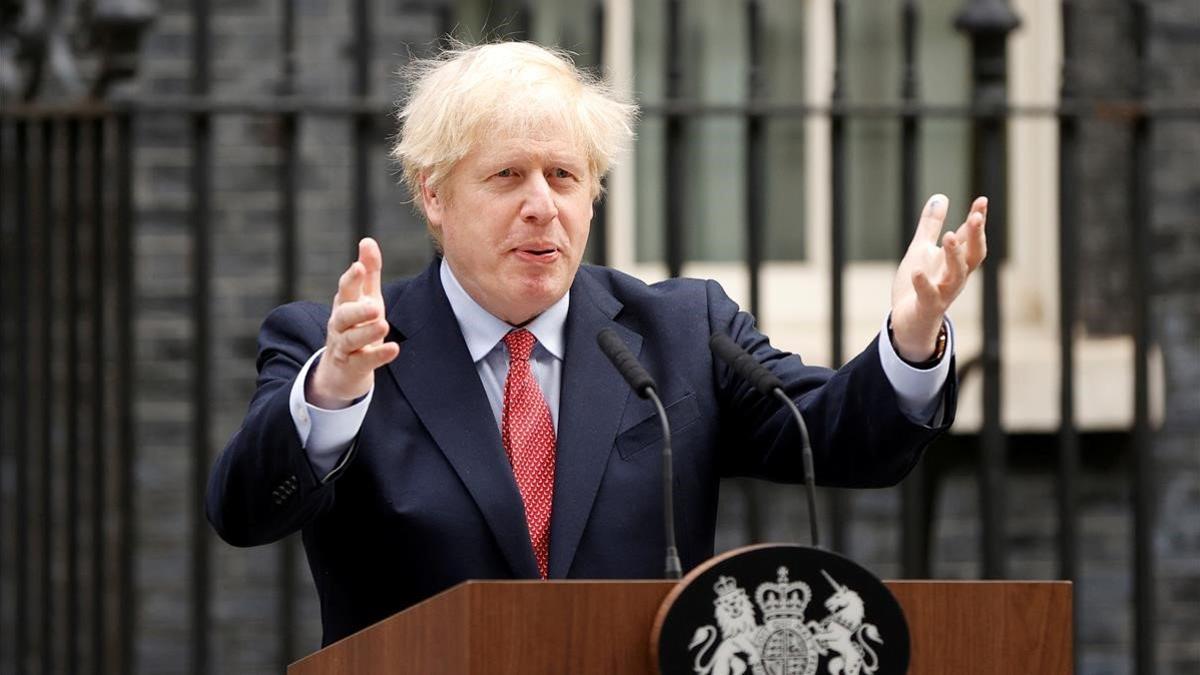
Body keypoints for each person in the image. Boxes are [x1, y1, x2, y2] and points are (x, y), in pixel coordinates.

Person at [206, 41, 987, 646]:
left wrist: (913, 338)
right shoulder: (335, 346)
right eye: (508, 175)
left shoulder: (683, 332)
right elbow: (243, 511)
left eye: (564, 176)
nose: (542, 206)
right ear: (432, 195)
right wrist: (334, 392)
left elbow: (837, 436)